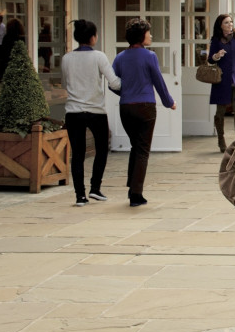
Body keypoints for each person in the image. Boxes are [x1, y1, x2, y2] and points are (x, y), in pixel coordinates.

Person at [111, 18, 177, 207]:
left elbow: (112, 83)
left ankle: (132, 186)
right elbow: (159, 82)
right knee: (142, 151)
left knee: (135, 146)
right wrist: (169, 102)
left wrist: (124, 93)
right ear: (142, 36)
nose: (151, 35)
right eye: (148, 32)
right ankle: (136, 194)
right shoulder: (150, 56)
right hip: (145, 107)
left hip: (126, 107)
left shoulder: (120, 57)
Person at [60, 19, 121, 205]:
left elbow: (65, 83)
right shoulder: (99, 57)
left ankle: (80, 196)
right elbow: (115, 83)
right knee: (101, 149)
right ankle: (95, 188)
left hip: (73, 111)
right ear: (93, 37)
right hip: (96, 111)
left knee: (77, 154)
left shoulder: (66, 58)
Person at [208, 14, 235, 153]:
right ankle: (221, 139)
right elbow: (210, 60)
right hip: (221, 80)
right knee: (220, 112)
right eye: (226, 22)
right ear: (221, 25)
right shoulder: (216, 40)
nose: (230, 24)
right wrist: (217, 55)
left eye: (231, 22)